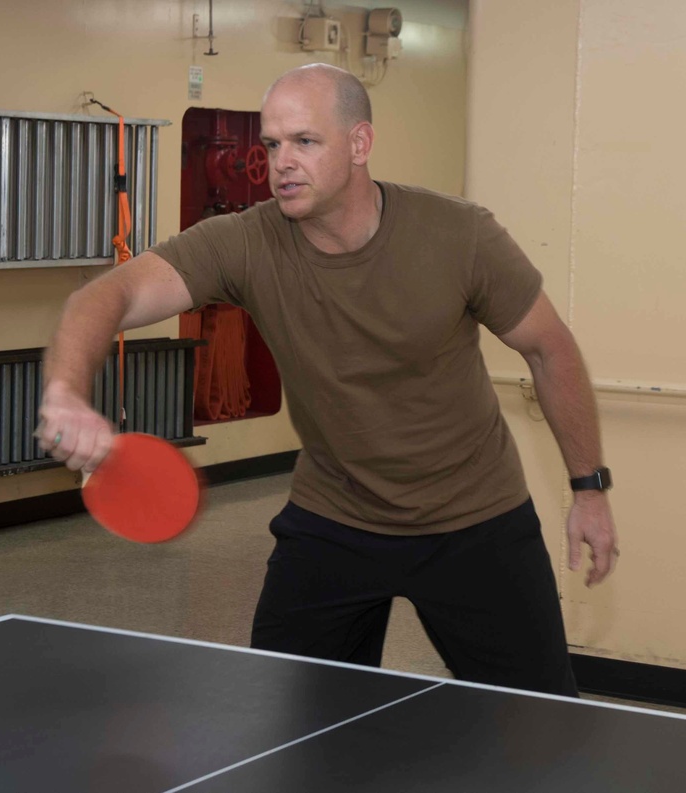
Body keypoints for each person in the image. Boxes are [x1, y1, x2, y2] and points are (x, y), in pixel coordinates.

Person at [36, 63, 618, 697]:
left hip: (474, 520)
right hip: (334, 519)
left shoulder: (460, 235)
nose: (282, 162)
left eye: (306, 142)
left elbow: (550, 349)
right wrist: (66, 390)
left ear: (359, 144)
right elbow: (106, 296)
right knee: (288, 724)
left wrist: (588, 490)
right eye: (272, 145)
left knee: (537, 724)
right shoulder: (246, 242)